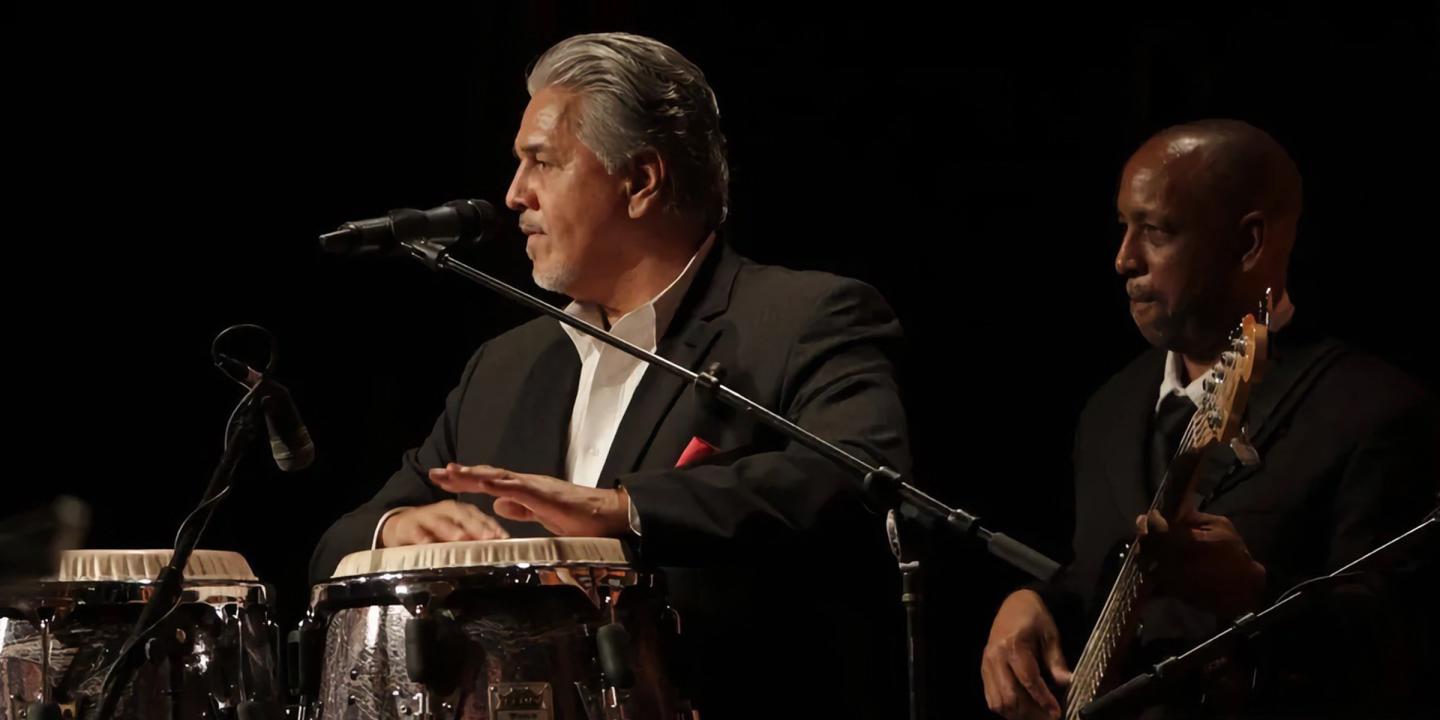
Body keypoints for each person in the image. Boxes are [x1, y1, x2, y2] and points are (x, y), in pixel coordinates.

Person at [312, 32, 909, 718]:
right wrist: (396, 531)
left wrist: (623, 510)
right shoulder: (505, 367)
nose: (513, 195)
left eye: (542, 162)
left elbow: (859, 475)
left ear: (641, 181)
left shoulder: (802, 319)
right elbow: (338, 542)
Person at [979, 119, 1438, 719]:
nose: (1123, 260)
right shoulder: (1109, 411)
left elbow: (1400, 651)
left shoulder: (1373, 413)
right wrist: (1036, 601)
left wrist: (1255, 591)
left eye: (1158, 231)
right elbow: (1095, 575)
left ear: (1248, 243)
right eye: (1123, 228)